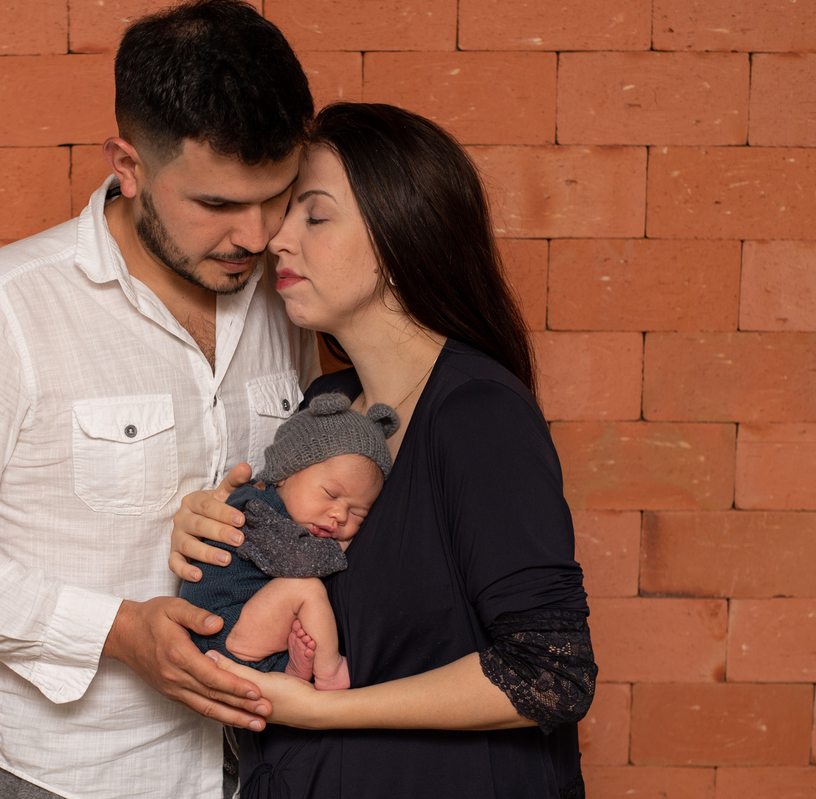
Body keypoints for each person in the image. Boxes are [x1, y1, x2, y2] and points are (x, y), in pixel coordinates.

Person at [0, 2, 318, 797]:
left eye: (275, 197)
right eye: (216, 205)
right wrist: (114, 629)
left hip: (263, 766)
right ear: (128, 165)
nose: (255, 234)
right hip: (73, 775)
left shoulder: (285, 299)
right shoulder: (3, 308)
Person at [171, 103, 598, 799]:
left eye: (313, 215)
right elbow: (284, 589)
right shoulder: (329, 405)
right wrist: (221, 525)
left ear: (400, 231)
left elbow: (550, 672)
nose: (276, 239)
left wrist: (324, 710)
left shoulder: (479, 414)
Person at [180, 393, 399, 691]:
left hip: (243, 627)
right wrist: (341, 549)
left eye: (358, 512)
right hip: (217, 627)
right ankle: (330, 670)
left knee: (300, 622)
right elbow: (297, 560)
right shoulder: (255, 508)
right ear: (284, 473)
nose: (339, 515)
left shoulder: (285, 511)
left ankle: (291, 669)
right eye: (331, 494)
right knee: (305, 587)